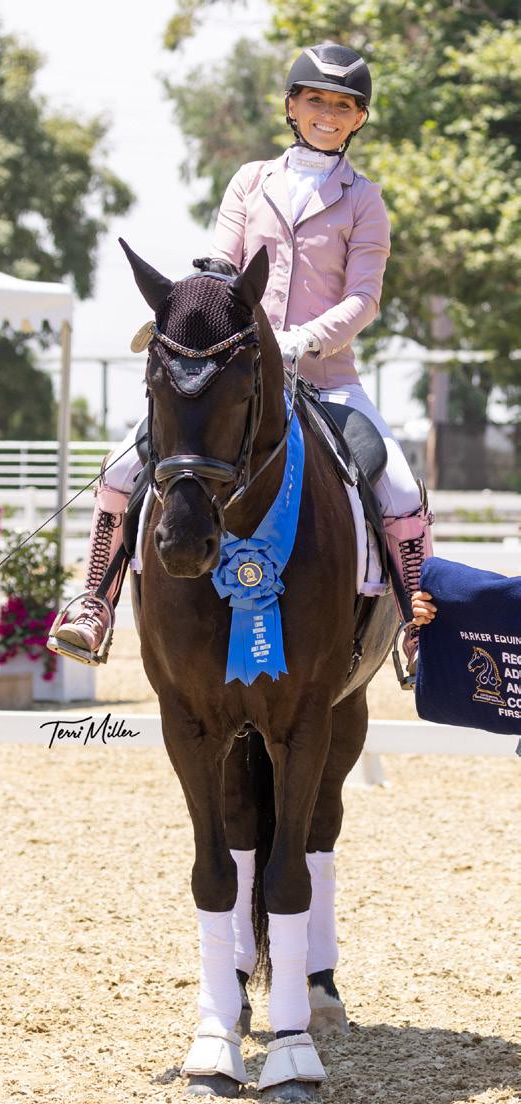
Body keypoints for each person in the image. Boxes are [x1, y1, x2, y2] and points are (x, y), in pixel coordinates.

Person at [48, 42, 436, 683]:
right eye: (316, 100)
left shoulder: (365, 200)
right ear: (292, 106)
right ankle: (95, 601)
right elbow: (221, 269)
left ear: (359, 118)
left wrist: (303, 340)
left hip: (327, 380)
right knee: (121, 467)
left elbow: (364, 298)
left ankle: (419, 630)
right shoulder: (250, 182)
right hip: (239, 376)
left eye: (343, 106)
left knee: (396, 485)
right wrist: (196, 319)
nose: (328, 114)